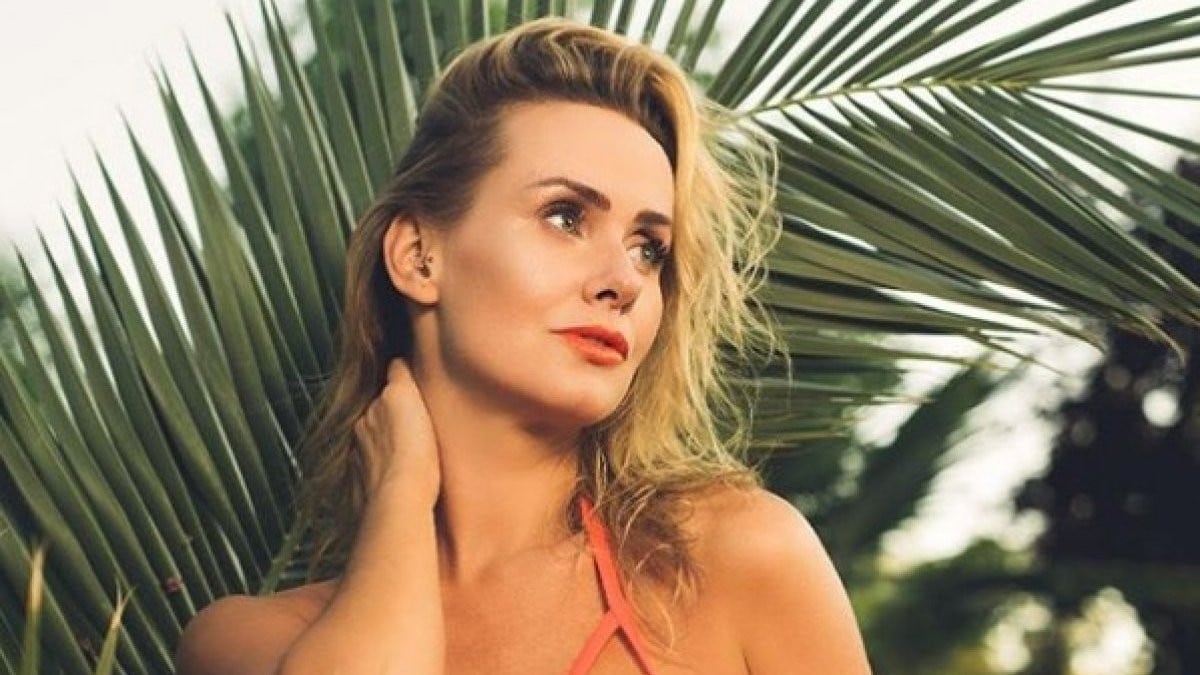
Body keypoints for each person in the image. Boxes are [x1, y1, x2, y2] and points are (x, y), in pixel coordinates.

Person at [175, 16, 870, 675]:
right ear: (418, 256)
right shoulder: (253, 640)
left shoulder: (736, 560)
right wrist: (401, 492)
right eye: (565, 216)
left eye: (648, 248)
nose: (623, 280)